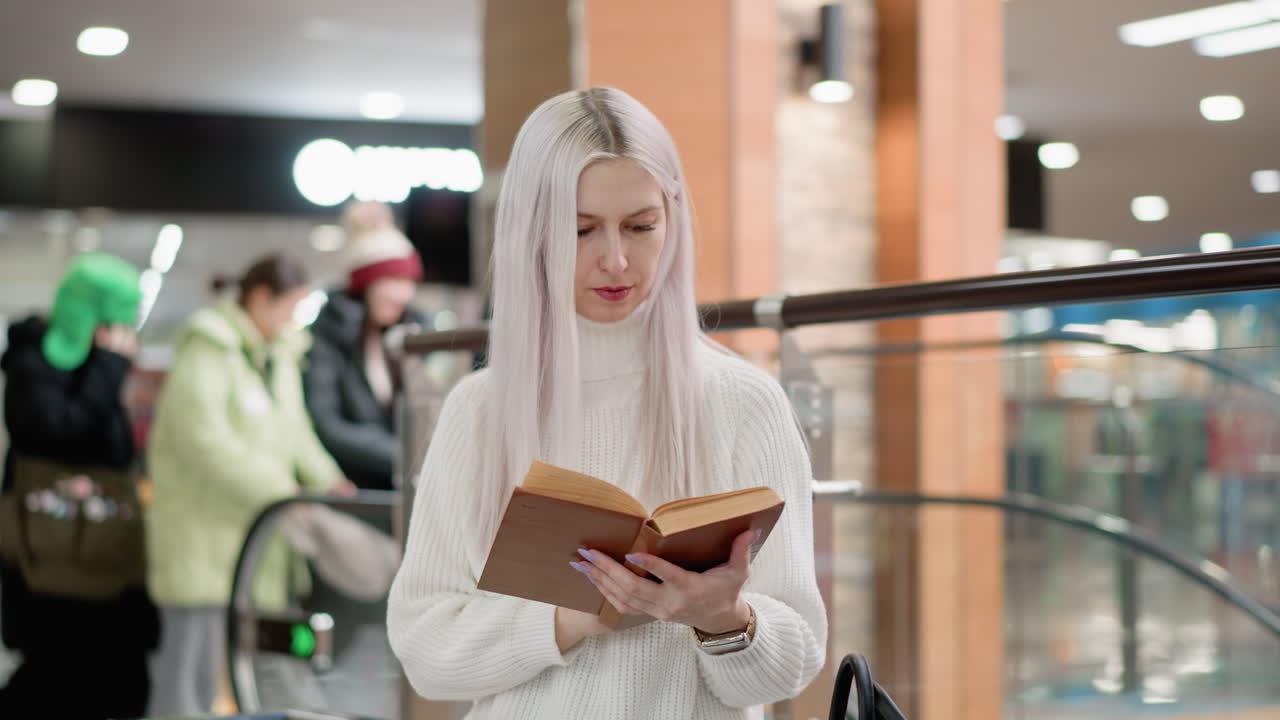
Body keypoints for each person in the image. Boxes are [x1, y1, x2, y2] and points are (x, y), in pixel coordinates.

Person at [387, 88, 827, 719]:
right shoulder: (479, 411)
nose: (616, 259)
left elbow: (793, 663)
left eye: (642, 226)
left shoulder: (743, 402)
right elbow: (425, 652)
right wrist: (572, 619)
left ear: (672, 219)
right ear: (532, 232)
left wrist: (725, 619)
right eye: (582, 230)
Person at [144, 254, 351, 716]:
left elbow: (296, 430)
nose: (293, 320)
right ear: (260, 298)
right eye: (289, 307)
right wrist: (281, 493)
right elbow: (205, 441)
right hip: (203, 545)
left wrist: (328, 478)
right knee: (189, 685)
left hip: (260, 546)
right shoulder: (208, 349)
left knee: (253, 681)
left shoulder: (279, 356)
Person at [0, 253, 160, 718]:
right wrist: (108, 366)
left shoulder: (95, 364)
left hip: (102, 555)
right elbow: (58, 430)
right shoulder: (33, 361)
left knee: (120, 682)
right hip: (54, 568)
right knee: (56, 681)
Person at [305, 202, 427, 490]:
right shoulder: (329, 335)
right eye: (393, 280)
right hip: (356, 489)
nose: (402, 293)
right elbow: (327, 423)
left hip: (404, 486)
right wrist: (404, 456)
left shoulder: (411, 334)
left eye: (408, 282)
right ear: (365, 284)